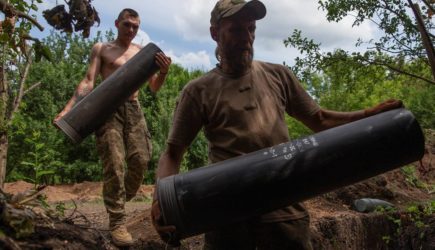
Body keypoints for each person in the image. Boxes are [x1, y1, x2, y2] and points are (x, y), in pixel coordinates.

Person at [151, 0, 402, 249]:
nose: (246, 38)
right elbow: (172, 153)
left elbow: (320, 120)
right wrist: (159, 203)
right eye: (236, 30)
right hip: (227, 214)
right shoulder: (198, 91)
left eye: (251, 29)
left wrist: (371, 114)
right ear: (215, 33)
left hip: (285, 213)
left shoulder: (278, 75)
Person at [54, 8, 172, 247]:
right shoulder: (102, 49)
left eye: (135, 27)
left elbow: (155, 88)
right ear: (117, 24)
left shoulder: (141, 53)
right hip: (106, 110)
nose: (131, 30)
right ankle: (117, 221)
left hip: (134, 108)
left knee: (141, 158)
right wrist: (67, 110)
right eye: (127, 25)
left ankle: (118, 196)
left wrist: (164, 72)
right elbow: (89, 81)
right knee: (114, 164)